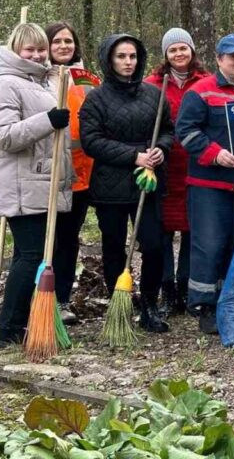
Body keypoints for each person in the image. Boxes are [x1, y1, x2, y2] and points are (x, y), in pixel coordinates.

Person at [0, 23, 73, 346]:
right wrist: (48, 120)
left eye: (40, 50)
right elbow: (3, 135)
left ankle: (20, 324)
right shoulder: (4, 84)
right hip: (20, 183)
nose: (36, 55)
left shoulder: (45, 81)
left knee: (29, 253)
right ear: (16, 50)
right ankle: (9, 330)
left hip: (41, 182)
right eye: (29, 50)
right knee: (32, 254)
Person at [79, 33, 174, 333]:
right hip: (111, 184)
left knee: (155, 245)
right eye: (121, 56)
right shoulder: (95, 98)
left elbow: (168, 130)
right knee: (114, 247)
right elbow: (91, 141)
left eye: (132, 56)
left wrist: (161, 148)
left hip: (148, 182)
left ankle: (149, 304)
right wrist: (134, 156)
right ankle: (118, 301)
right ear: (110, 59)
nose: (128, 62)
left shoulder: (153, 94)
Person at [175, 33, 234, 334]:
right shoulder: (201, 92)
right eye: (233, 56)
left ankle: (229, 301)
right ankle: (205, 306)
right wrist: (214, 154)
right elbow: (185, 131)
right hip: (208, 185)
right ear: (219, 59)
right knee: (209, 245)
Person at [144, 28, 208, 316]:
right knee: (163, 231)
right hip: (164, 166)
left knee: (192, 229)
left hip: (196, 164)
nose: (179, 54)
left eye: (184, 48)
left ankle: (185, 286)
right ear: (166, 54)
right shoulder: (153, 84)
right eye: (173, 50)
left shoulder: (205, 82)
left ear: (192, 51)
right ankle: (166, 289)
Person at [44, 21, 96, 326]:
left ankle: (61, 299)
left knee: (68, 239)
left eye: (69, 41)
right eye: (57, 41)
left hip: (80, 175)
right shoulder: (36, 78)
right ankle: (38, 298)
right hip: (47, 174)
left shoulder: (86, 82)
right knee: (44, 240)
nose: (64, 46)